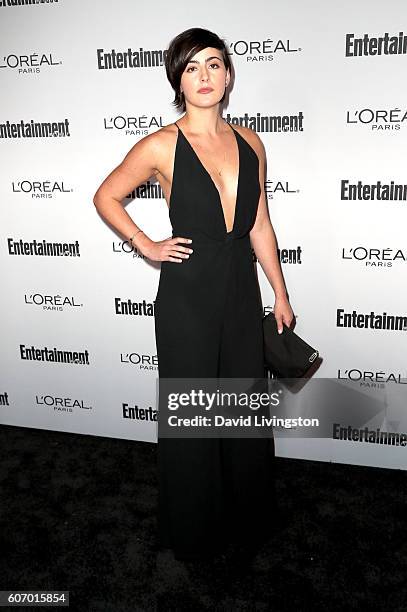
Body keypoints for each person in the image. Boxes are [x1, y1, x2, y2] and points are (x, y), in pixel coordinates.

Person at [93, 27, 294, 562]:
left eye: (213, 65)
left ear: (228, 75)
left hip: (238, 286)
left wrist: (280, 290)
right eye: (191, 68)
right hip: (187, 294)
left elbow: (260, 224)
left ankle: (247, 515)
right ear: (177, 80)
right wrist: (145, 244)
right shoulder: (161, 144)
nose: (204, 77)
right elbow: (106, 195)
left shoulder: (252, 141)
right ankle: (194, 529)